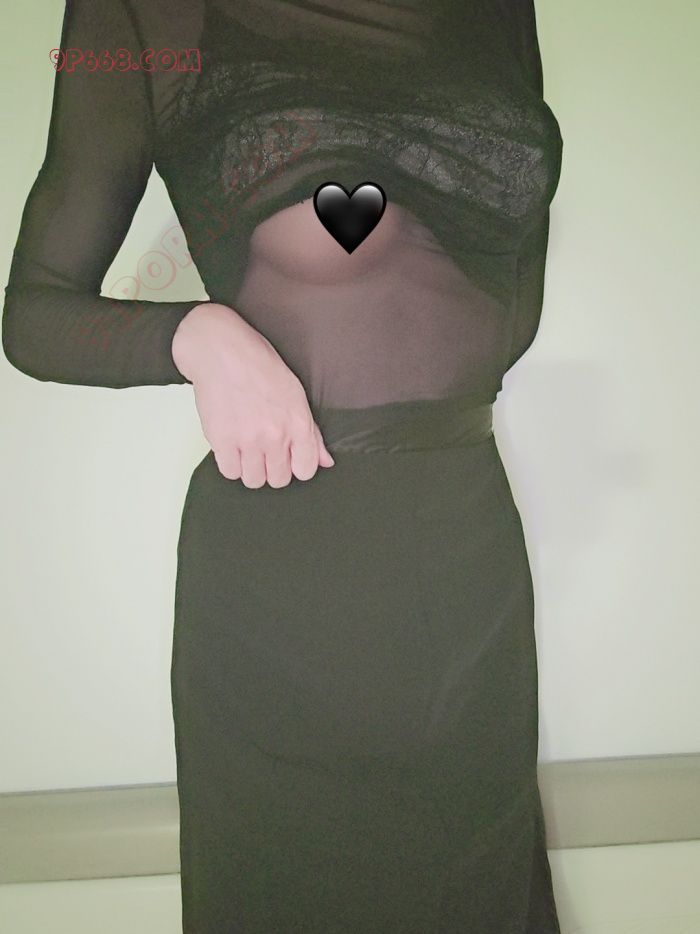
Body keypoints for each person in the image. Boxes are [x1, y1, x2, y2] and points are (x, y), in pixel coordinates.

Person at [2, 1, 564, 931]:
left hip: (471, 556)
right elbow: (33, 315)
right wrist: (193, 333)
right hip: (290, 560)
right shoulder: (140, 10)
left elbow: (508, 301)